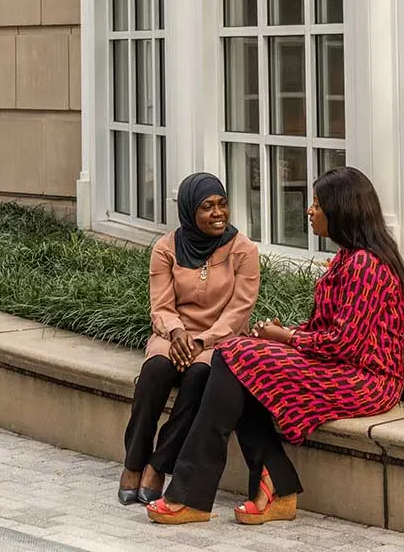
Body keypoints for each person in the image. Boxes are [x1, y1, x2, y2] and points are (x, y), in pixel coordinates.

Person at [147, 166, 404, 525]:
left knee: (235, 356)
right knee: (238, 359)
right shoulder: (349, 257)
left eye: (317, 204)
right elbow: (329, 329)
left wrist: (288, 339)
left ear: (342, 209)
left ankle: (195, 492)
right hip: (344, 365)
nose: (309, 211)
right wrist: (284, 333)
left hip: (368, 380)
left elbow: (344, 344)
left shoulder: (365, 265)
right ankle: (272, 486)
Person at [118, 172, 260, 505]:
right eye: (207, 206)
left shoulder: (244, 251)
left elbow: (239, 312)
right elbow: (161, 305)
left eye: (222, 204)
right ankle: (133, 462)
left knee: (199, 377)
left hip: (218, 341)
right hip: (173, 334)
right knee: (153, 374)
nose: (218, 213)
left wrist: (202, 341)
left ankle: (158, 465)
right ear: (188, 211)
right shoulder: (166, 248)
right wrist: (177, 332)